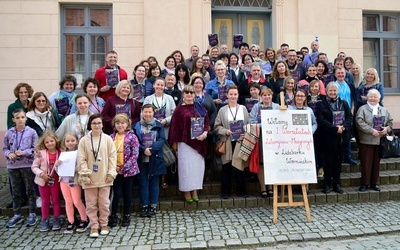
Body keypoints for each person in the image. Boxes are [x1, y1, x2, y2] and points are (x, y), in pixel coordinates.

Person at [77, 113, 117, 238]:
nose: (97, 125)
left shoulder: (107, 139)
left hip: (105, 177)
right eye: (94, 123)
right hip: (89, 179)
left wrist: (111, 173)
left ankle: (104, 224)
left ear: (102, 124)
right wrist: (85, 175)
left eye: (99, 123)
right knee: (91, 204)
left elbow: (112, 157)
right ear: (90, 125)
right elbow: (81, 159)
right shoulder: (84, 140)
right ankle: (94, 226)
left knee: (104, 203)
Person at [169, 85, 210, 202]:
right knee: (186, 168)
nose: (189, 95)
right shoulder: (179, 110)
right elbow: (174, 128)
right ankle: (187, 191)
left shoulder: (200, 108)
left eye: (191, 93)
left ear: (194, 94)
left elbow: (206, 123)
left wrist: (205, 133)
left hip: (199, 142)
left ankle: (195, 190)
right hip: (184, 143)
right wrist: (175, 143)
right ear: (183, 94)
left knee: (197, 168)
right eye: (187, 93)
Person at [4, 109, 38, 228]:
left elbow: (35, 149)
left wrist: (24, 152)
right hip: (13, 166)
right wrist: (9, 154)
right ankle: (17, 214)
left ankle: (32, 213)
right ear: (13, 119)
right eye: (17, 118)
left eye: (22, 117)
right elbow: (5, 148)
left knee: (30, 190)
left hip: (27, 165)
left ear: (26, 118)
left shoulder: (32, 132)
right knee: (16, 191)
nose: (20, 120)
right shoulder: (9, 133)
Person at [316, 82, 352, 194]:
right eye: (330, 90)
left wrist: (343, 127)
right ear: (326, 91)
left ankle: (337, 184)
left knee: (338, 163)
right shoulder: (322, 104)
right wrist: (334, 128)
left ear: (337, 92)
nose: (332, 92)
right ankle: (327, 184)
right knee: (328, 162)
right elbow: (321, 121)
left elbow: (349, 117)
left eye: (334, 90)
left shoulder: (344, 103)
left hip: (341, 137)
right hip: (328, 138)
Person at [214, 85, 249, 199]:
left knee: (240, 166)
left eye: (235, 94)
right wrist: (226, 131)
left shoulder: (243, 108)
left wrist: (246, 132)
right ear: (227, 95)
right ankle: (225, 192)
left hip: (240, 141)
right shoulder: (222, 110)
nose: (233, 96)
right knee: (227, 167)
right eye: (231, 94)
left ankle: (241, 190)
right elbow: (217, 126)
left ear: (238, 95)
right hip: (228, 141)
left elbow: (248, 125)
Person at [356, 89, 393, 192]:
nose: (373, 98)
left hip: (379, 140)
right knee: (366, 163)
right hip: (366, 140)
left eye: (375, 97)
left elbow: (390, 122)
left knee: (376, 163)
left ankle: (374, 183)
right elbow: (359, 122)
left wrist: (386, 129)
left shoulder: (383, 110)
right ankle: (364, 183)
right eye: (371, 97)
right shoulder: (362, 109)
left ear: (379, 98)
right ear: (367, 98)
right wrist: (371, 130)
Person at [133, 104, 166, 217]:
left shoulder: (158, 125)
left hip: (155, 158)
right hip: (141, 159)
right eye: (145, 112)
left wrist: (152, 150)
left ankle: (152, 205)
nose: (147, 114)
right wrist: (143, 150)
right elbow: (135, 141)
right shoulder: (136, 126)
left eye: (150, 112)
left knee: (154, 183)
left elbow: (162, 139)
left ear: (153, 113)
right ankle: (144, 206)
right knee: (143, 183)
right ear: (142, 112)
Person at [109, 114, 140, 227]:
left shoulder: (132, 137)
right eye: (118, 123)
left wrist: (123, 168)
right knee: (116, 194)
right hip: (115, 170)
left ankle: (126, 214)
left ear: (127, 124)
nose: (120, 125)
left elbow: (135, 154)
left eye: (122, 123)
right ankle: (113, 214)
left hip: (128, 170)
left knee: (127, 193)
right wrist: (114, 168)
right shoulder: (111, 137)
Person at [56, 132, 89, 234]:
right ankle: (71, 221)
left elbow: (81, 166)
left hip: (74, 180)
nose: (70, 143)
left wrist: (73, 169)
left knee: (77, 201)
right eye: (67, 141)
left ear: (77, 141)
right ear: (64, 142)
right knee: (68, 202)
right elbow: (57, 170)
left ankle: (85, 219)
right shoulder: (62, 153)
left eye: (72, 140)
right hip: (63, 180)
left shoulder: (79, 153)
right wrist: (57, 165)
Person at [249, 87, 279, 197]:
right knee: (261, 163)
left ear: (272, 96)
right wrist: (265, 125)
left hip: (274, 138)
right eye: (264, 95)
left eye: (269, 95)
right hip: (260, 137)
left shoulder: (276, 107)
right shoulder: (256, 107)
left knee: (271, 162)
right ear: (261, 96)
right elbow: (252, 121)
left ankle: (270, 187)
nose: (267, 97)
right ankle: (263, 188)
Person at [31, 131, 62, 231]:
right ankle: (45, 220)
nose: (50, 144)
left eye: (51, 141)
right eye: (47, 142)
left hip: (55, 180)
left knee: (56, 200)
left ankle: (56, 219)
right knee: (45, 201)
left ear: (56, 141)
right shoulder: (41, 153)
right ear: (44, 144)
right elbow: (34, 167)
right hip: (43, 181)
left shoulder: (61, 153)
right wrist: (42, 174)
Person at [335, 67, 357, 165]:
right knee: (338, 136)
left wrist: (352, 109)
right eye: (338, 73)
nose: (340, 75)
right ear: (335, 75)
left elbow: (352, 98)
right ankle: (339, 156)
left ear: (345, 74)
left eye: (342, 73)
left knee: (347, 135)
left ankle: (347, 156)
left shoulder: (349, 85)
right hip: (337, 113)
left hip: (348, 113)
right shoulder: (333, 85)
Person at [307, 80, 325, 178]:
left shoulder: (323, 98)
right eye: (312, 86)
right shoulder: (306, 98)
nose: (314, 88)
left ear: (319, 88)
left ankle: (321, 167)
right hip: (309, 126)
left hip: (321, 126)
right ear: (309, 88)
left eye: (316, 86)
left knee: (320, 148)